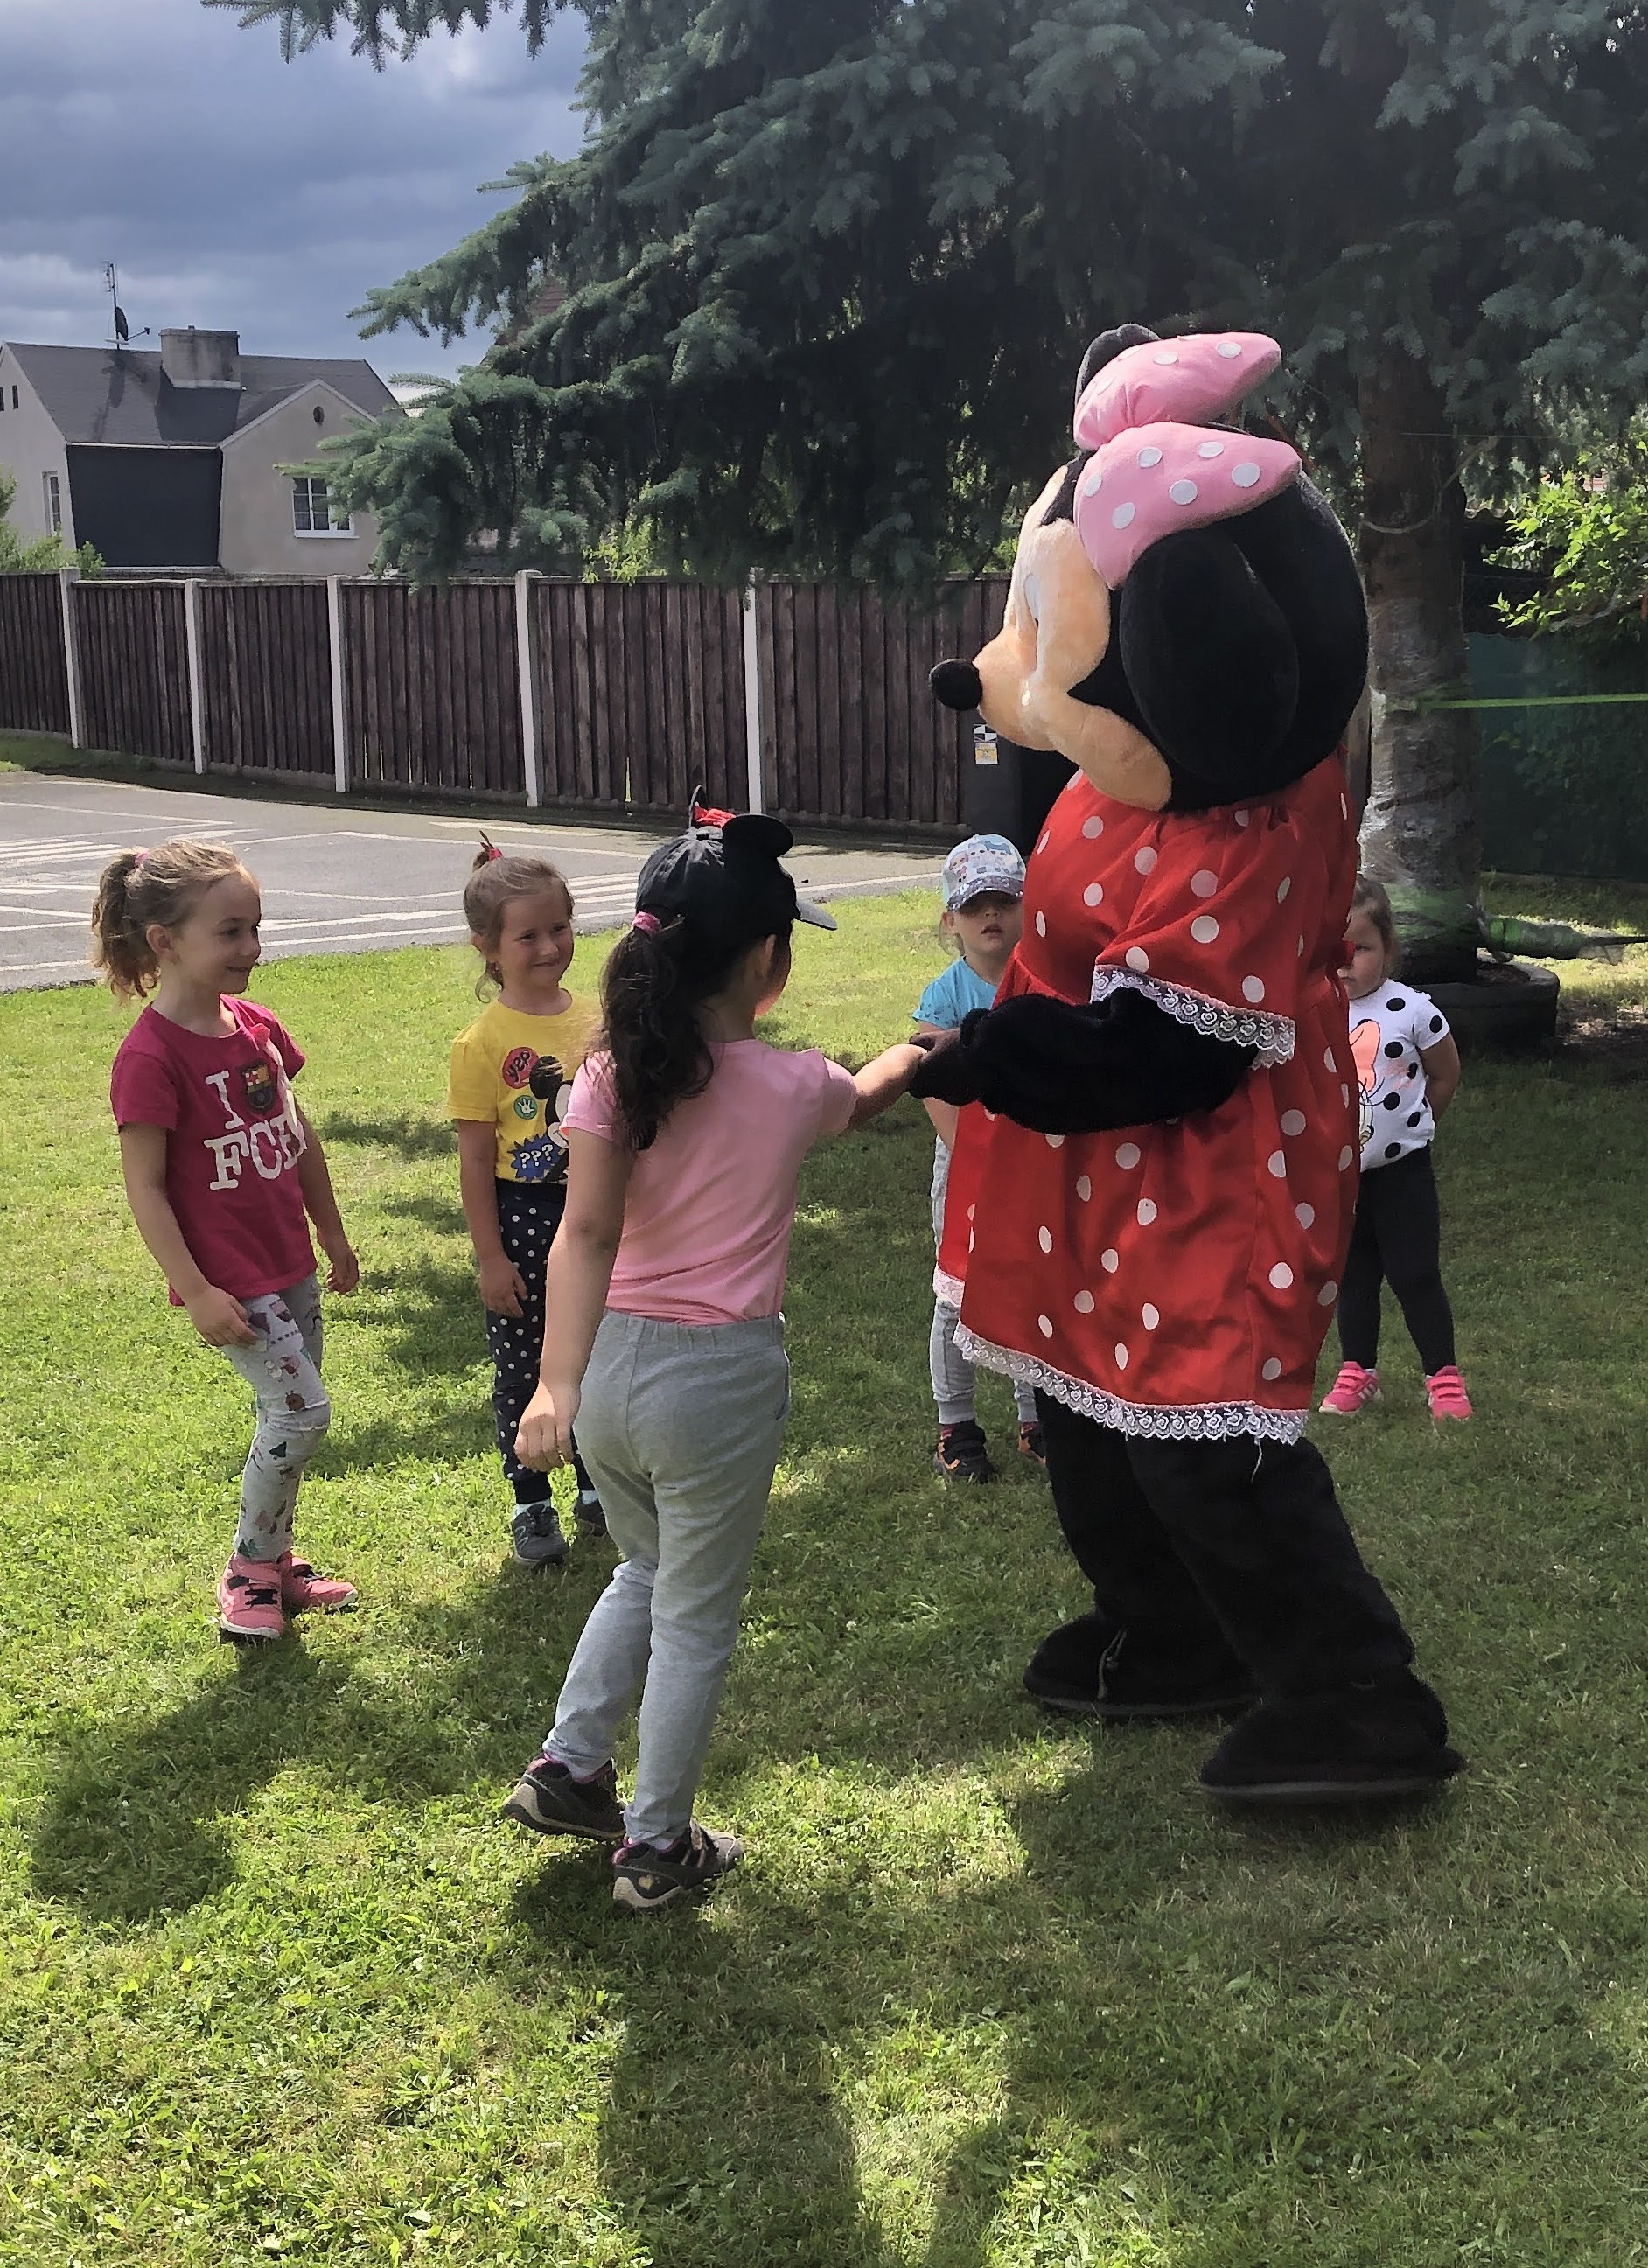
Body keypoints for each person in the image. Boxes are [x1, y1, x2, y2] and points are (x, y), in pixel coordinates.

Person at [502, 804, 927, 1911]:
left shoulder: (606, 1078)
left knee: (646, 1569)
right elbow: (867, 1095)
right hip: (718, 1383)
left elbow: (583, 1234)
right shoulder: (791, 1085)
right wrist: (920, 1050)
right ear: (765, 963)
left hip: (608, 1377)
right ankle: (657, 1846)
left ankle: (571, 1765)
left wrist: (556, 1381)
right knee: (695, 1612)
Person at [94, 840, 359, 1644]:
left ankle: (276, 1563)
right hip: (230, 1280)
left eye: (255, 927)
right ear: (165, 941)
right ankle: (247, 1571)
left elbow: (296, 1134)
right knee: (300, 1414)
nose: (252, 947)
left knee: (288, 1414)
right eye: (230, 932)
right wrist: (197, 1287)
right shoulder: (149, 1057)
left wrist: (331, 1230)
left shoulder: (257, 1028)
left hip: (289, 1261)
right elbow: (145, 1187)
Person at [449, 839, 606, 1567]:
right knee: (522, 1366)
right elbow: (475, 1160)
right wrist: (490, 1256)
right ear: (487, 946)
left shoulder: (600, 1019)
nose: (549, 947)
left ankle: (599, 1482)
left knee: (598, 1351)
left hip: (596, 1206)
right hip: (522, 1215)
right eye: (528, 935)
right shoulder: (481, 1042)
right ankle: (531, 1500)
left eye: (560, 928)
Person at [914, 834, 1044, 1481]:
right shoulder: (944, 999)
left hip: (1038, 1160)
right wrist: (974, 1158)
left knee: (1036, 1283)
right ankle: (957, 1425)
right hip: (968, 1166)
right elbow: (936, 1091)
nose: (989, 913)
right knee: (957, 1292)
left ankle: (1036, 1415)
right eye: (973, 904)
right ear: (951, 920)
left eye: (1004, 899)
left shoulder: (1044, 985)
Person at [1320, 874, 1471, 1420]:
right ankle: (1357, 1370)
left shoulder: (1413, 1010)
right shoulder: (1313, 1012)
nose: (1346, 963)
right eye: (1334, 950)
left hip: (1403, 1174)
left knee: (1415, 1274)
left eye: (1360, 949)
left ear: (1387, 948)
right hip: (1340, 1176)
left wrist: (1416, 1127)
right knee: (1354, 1277)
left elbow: (1445, 1075)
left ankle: (1443, 1377)